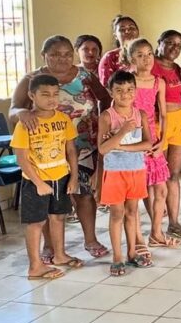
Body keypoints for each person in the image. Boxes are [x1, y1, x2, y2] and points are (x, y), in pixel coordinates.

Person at [9, 36, 110, 262]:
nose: (61, 59)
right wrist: (21, 113)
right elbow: (13, 108)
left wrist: (103, 124)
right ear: (44, 55)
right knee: (47, 200)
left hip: (82, 146)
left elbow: (105, 98)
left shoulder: (85, 75)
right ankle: (50, 247)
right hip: (44, 151)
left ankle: (90, 239)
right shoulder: (33, 79)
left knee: (83, 195)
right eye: (54, 54)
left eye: (66, 54)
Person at [12, 74, 81, 280]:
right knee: (36, 223)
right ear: (32, 95)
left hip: (61, 177)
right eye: (45, 94)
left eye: (55, 94)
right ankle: (35, 266)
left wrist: (74, 176)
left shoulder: (63, 119)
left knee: (58, 217)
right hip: (36, 182)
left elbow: (70, 149)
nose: (51, 99)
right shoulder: (26, 124)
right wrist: (38, 183)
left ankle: (59, 255)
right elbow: (21, 158)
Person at [98, 70, 153, 276]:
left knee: (132, 213)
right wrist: (122, 132)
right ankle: (117, 257)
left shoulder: (141, 115)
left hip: (136, 170)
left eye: (130, 90)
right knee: (117, 214)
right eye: (119, 90)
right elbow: (103, 149)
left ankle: (132, 252)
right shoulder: (107, 116)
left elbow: (147, 143)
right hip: (114, 173)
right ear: (110, 92)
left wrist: (122, 146)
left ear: (136, 91)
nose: (125, 94)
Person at [127, 38, 180, 248]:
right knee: (137, 193)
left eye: (149, 54)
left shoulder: (159, 82)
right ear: (132, 59)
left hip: (154, 141)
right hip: (133, 141)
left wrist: (163, 140)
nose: (146, 59)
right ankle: (138, 239)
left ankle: (156, 233)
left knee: (161, 190)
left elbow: (164, 115)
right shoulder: (127, 81)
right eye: (140, 55)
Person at [153, 30, 181, 238]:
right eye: (169, 43)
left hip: (178, 121)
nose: (174, 48)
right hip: (159, 123)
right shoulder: (150, 65)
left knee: (174, 174)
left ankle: (174, 222)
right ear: (159, 43)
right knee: (158, 176)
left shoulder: (176, 68)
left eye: (178, 44)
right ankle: (156, 225)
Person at [99, 15, 139, 86]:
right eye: (122, 29)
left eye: (132, 28)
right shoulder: (110, 57)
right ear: (115, 35)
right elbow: (106, 87)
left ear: (138, 31)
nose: (127, 31)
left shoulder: (146, 54)